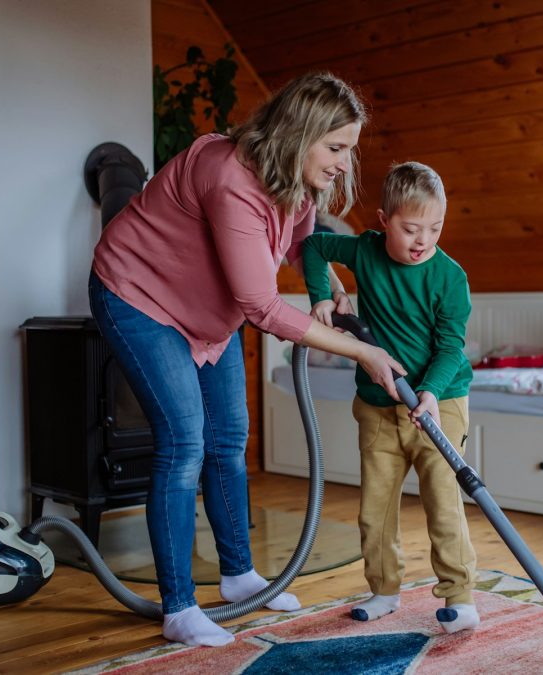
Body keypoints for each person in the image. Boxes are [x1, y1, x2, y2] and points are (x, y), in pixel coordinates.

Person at [88, 72, 405, 648]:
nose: (341, 163)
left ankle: (237, 576)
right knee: (184, 441)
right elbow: (260, 305)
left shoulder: (299, 182)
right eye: (335, 148)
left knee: (229, 436)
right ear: (298, 132)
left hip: (208, 311)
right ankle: (178, 608)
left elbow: (300, 245)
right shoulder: (230, 177)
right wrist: (362, 349)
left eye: (348, 151)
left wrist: (326, 285)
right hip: (139, 296)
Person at [302, 161, 480, 634]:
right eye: (410, 228)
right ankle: (383, 590)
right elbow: (314, 244)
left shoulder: (449, 278)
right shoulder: (365, 251)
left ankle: (460, 598)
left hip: (439, 402)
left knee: (443, 501)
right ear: (384, 221)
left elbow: (450, 348)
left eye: (435, 228)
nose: (423, 240)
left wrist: (429, 392)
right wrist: (322, 295)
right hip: (378, 405)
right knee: (375, 506)